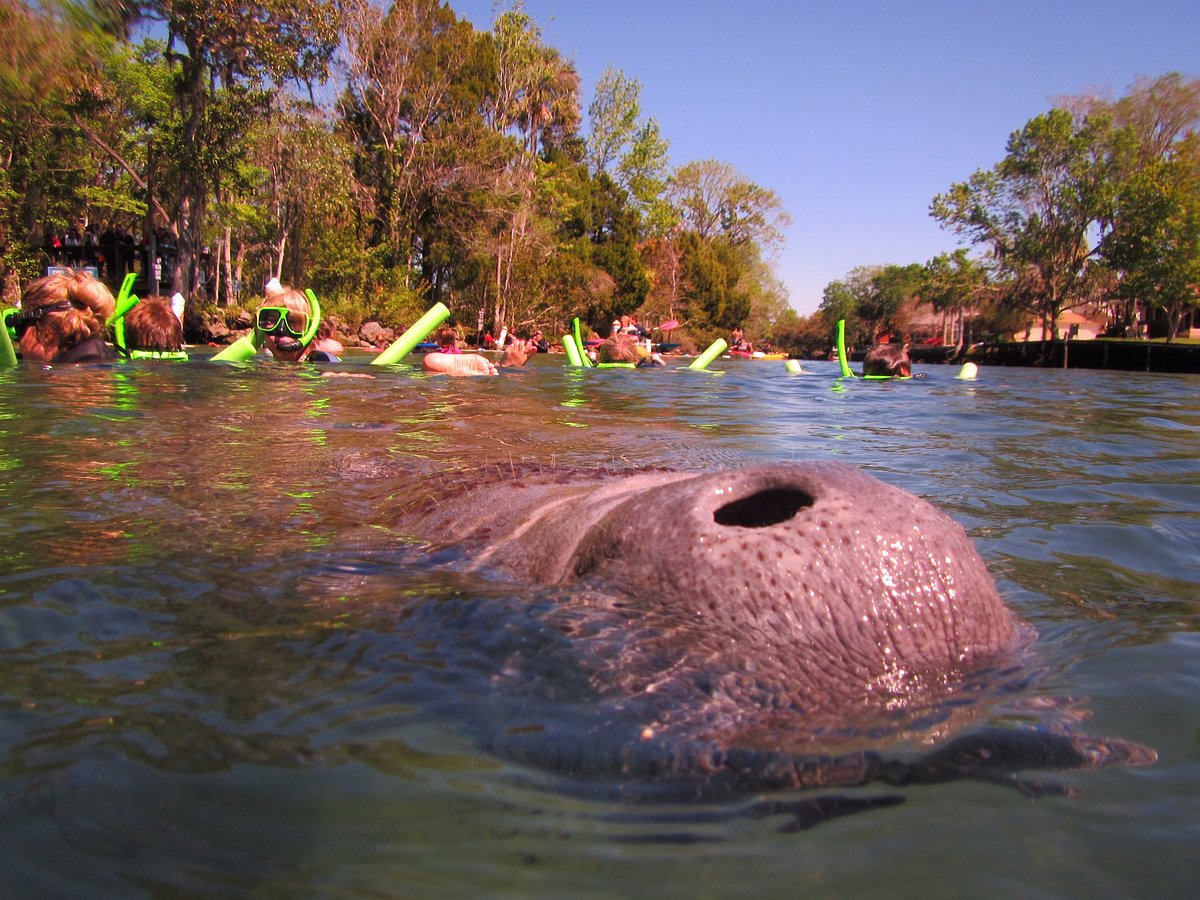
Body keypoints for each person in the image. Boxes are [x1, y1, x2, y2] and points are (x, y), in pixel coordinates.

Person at [9, 269, 116, 363]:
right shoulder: (104, 359)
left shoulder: (67, 381)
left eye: (20, 329)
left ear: (46, 334)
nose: (20, 342)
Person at [255, 281, 338, 362]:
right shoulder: (265, 364)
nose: (281, 330)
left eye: (292, 322)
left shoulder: (322, 361)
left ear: (309, 329)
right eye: (272, 321)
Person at [423, 339, 534, 376]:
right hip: (451, 357)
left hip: (439, 360)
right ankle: (505, 366)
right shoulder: (455, 350)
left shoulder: (442, 350)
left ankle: (502, 366)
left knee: (428, 363)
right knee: (429, 362)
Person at [598, 332, 664, 367]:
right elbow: (660, 366)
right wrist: (657, 360)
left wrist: (592, 358)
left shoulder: (594, 366)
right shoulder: (645, 366)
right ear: (635, 359)